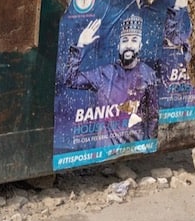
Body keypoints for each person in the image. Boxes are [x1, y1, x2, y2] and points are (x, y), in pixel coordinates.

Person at [64, 14, 159, 145]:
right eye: (125, 40)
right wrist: (80, 46)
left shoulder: (148, 74)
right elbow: (71, 80)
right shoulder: (104, 74)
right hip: (105, 150)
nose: (129, 45)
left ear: (140, 45)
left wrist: (149, 145)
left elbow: (152, 116)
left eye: (134, 40)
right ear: (118, 46)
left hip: (135, 148)